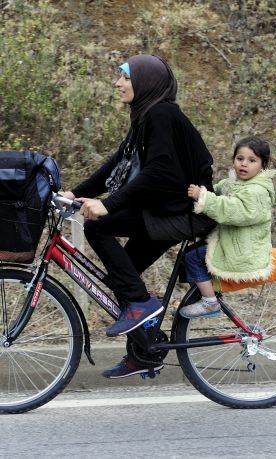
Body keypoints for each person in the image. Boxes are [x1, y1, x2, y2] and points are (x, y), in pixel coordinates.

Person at [60, 54, 215, 378]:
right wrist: (73, 193)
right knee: (123, 276)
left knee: (99, 229)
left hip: (182, 213)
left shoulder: (161, 114)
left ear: (145, 81)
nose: (117, 83)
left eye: (124, 77)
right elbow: (116, 165)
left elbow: (161, 172)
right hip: (162, 209)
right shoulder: (145, 116)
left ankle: (143, 307)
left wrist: (110, 204)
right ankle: (145, 352)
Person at [179, 135, 276, 318]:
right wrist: (200, 191)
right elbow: (216, 190)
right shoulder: (235, 183)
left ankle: (210, 302)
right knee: (190, 255)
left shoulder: (257, 191)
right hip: (231, 242)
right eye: (240, 159)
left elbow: (233, 210)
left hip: (244, 250)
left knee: (193, 258)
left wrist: (203, 198)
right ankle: (207, 291)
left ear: (263, 165)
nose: (244, 164)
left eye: (252, 160)